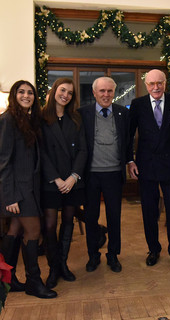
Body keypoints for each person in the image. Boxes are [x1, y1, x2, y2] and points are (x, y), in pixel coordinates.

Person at [0, 80, 57, 299]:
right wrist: (10, 196)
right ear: (13, 95)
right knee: (33, 231)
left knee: (15, 231)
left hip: (29, 188)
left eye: (30, 92)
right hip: (18, 192)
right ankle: (34, 282)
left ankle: (7, 278)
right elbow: (3, 162)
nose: (26, 96)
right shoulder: (7, 120)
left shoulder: (27, 120)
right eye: (21, 92)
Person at [128, 69, 170, 269]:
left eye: (159, 83)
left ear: (165, 83)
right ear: (146, 85)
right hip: (146, 166)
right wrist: (130, 161)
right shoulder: (138, 105)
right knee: (149, 212)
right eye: (152, 84)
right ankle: (153, 249)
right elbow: (129, 135)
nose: (156, 87)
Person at [79, 77, 129, 273]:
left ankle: (113, 255)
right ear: (94, 93)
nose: (106, 95)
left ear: (114, 93)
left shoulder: (122, 113)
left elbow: (126, 142)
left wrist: (129, 161)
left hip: (114, 174)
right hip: (90, 175)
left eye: (110, 91)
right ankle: (93, 255)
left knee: (114, 217)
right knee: (91, 217)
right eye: (102, 91)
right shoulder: (83, 114)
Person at [40, 78, 87, 289]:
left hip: (72, 181)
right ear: (54, 91)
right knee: (49, 226)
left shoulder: (75, 118)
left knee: (68, 222)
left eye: (69, 92)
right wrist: (57, 179)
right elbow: (40, 152)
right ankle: (53, 268)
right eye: (62, 90)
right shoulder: (41, 117)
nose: (65, 95)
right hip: (51, 181)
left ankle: (63, 264)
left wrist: (73, 176)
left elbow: (83, 150)